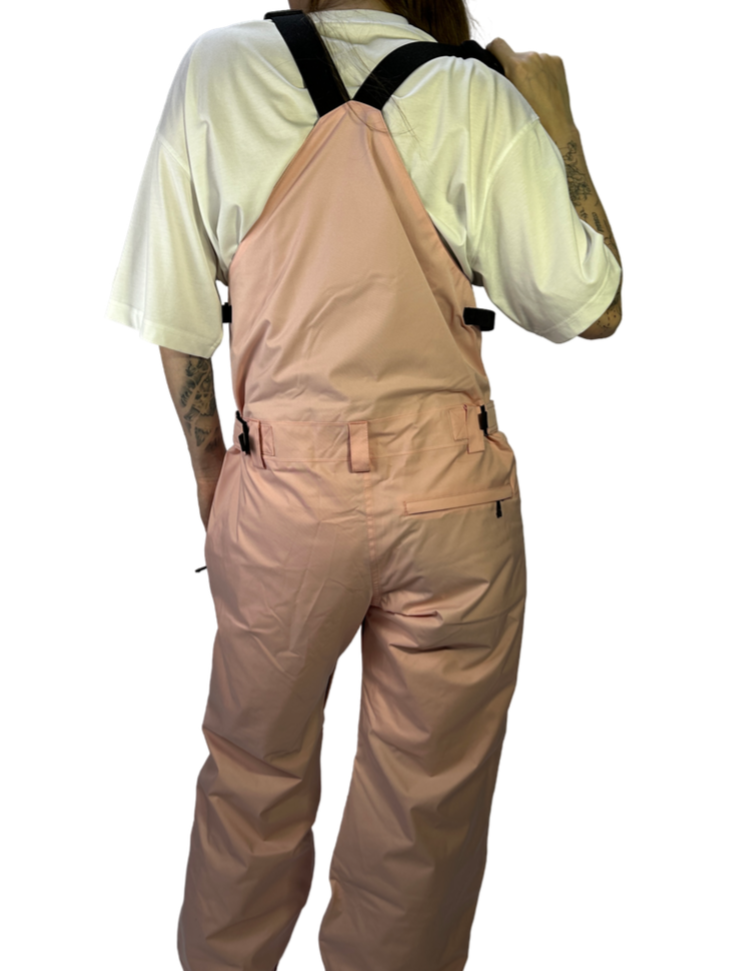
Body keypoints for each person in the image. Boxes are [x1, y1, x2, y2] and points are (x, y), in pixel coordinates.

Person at [105, 2, 623, 969]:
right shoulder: (474, 94)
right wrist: (556, 118)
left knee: (251, 782)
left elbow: (175, 313)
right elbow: (595, 304)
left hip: (282, 496)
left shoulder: (216, 71)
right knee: (423, 816)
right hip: (453, 500)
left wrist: (217, 481)